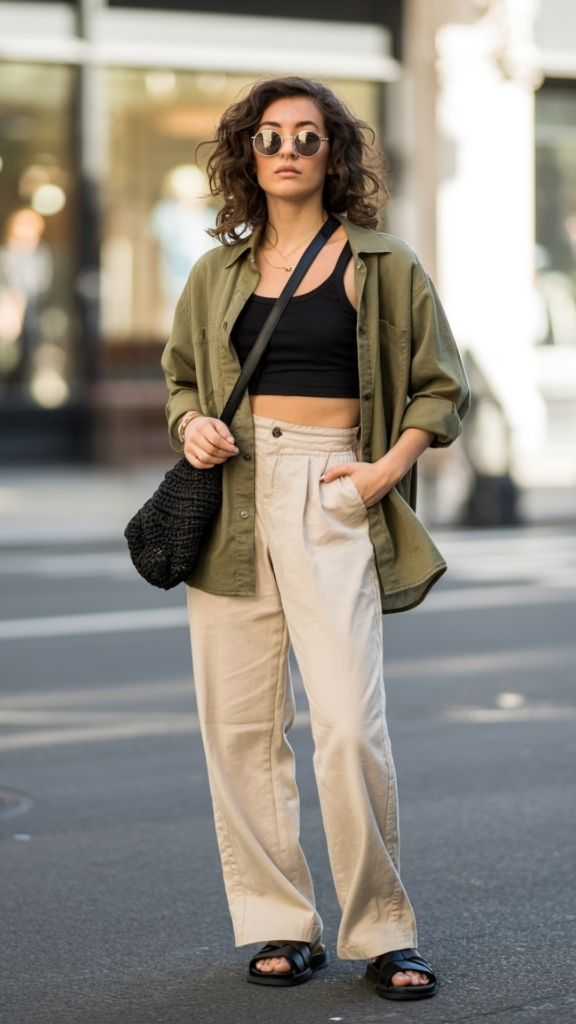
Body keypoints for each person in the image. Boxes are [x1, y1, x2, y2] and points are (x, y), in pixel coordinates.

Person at [162, 76, 469, 1001]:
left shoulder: (385, 262)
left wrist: (383, 470)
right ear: (246, 156)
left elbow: (439, 387)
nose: (287, 149)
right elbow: (181, 379)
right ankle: (279, 924)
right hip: (232, 495)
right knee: (242, 731)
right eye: (269, 137)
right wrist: (191, 428)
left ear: (334, 154)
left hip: (335, 487)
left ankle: (383, 929)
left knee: (346, 729)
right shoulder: (216, 271)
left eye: (306, 136)